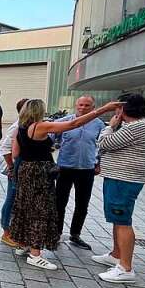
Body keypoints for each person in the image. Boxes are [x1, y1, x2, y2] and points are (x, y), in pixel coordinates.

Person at [10, 98, 121, 270]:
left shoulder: (20, 128)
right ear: (38, 111)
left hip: (25, 169)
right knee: (41, 210)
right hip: (39, 172)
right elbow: (73, 124)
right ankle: (35, 253)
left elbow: (16, 153)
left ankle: (23, 243)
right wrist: (103, 110)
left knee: (25, 207)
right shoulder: (40, 126)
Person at [90, 93, 145, 283]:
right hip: (118, 177)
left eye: (117, 108)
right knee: (116, 218)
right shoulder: (134, 126)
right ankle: (116, 254)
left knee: (122, 220)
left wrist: (110, 127)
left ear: (124, 109)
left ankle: (126, 267)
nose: (115, 112)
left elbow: (104, 143)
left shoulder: (137, 126)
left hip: (124, 179)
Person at [54, 96, 106, 250]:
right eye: (81, 105)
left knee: (82, 203)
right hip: (65, 167)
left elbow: (102, 145)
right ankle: (56, 233)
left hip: (86, 169)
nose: (83, 108)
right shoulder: (65, 122)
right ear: (76, 105)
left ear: (93, 106)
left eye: (87, 105)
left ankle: (75, 234)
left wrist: (98, 163)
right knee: (59, 202)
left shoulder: (98, 124)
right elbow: (49, 136)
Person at [0, 98, 29, 248]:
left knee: (17, 199)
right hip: (16, 168)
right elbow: (4, 148)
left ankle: (14, 230)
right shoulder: (17, 126)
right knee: (12, 198)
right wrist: (11, 167)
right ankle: (6, 231)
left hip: (24, 169)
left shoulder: (28, 125)